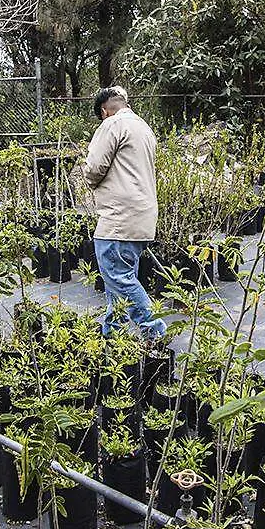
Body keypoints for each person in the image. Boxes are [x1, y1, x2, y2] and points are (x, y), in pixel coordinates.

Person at [82, 86, 167, 341]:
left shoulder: (111, 125)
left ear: (104, 110)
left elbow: (94, 168)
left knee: (120, 278)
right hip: (141, 216)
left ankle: (155, 331)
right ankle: (112, 338)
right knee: (118, 283)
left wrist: (88, 178)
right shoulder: (144, 128)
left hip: (119, 218)